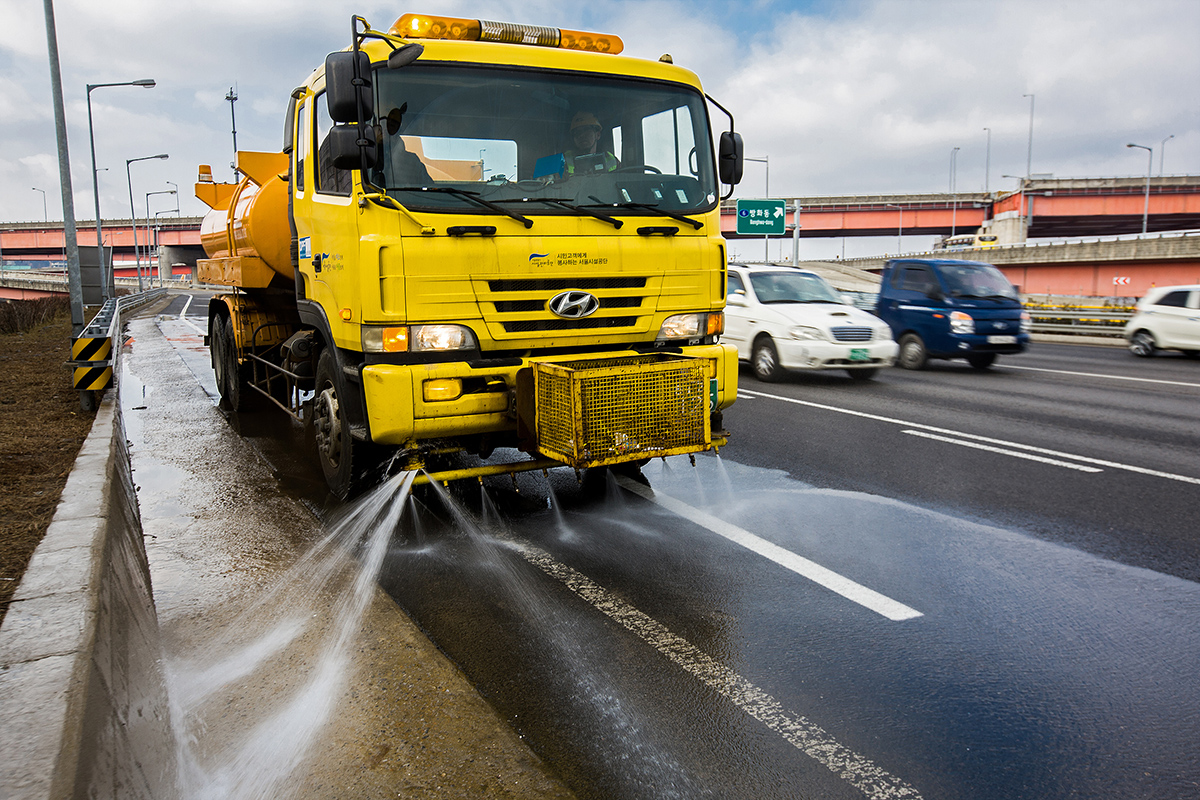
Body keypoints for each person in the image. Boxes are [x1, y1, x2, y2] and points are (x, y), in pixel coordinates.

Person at [562, 111, 618, 176]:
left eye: (586, 130)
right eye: (577, 133)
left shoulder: (610, 159)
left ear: (598, 135)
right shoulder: (564, 160)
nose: (581, 135)